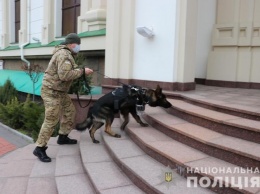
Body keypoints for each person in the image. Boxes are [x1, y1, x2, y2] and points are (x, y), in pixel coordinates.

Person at [33, 33, 93, 162]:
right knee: (51, 119)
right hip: (51, 91)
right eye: (78, 45)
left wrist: (81, 70)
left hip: (59, 91)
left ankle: (63, 137)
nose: (79, 47)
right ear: (72, 44)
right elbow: (64, 75)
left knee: (69, 112)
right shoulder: (63, 54)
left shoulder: (67, 54)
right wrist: (83, 72)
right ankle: (39, 148)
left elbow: (70, 70)